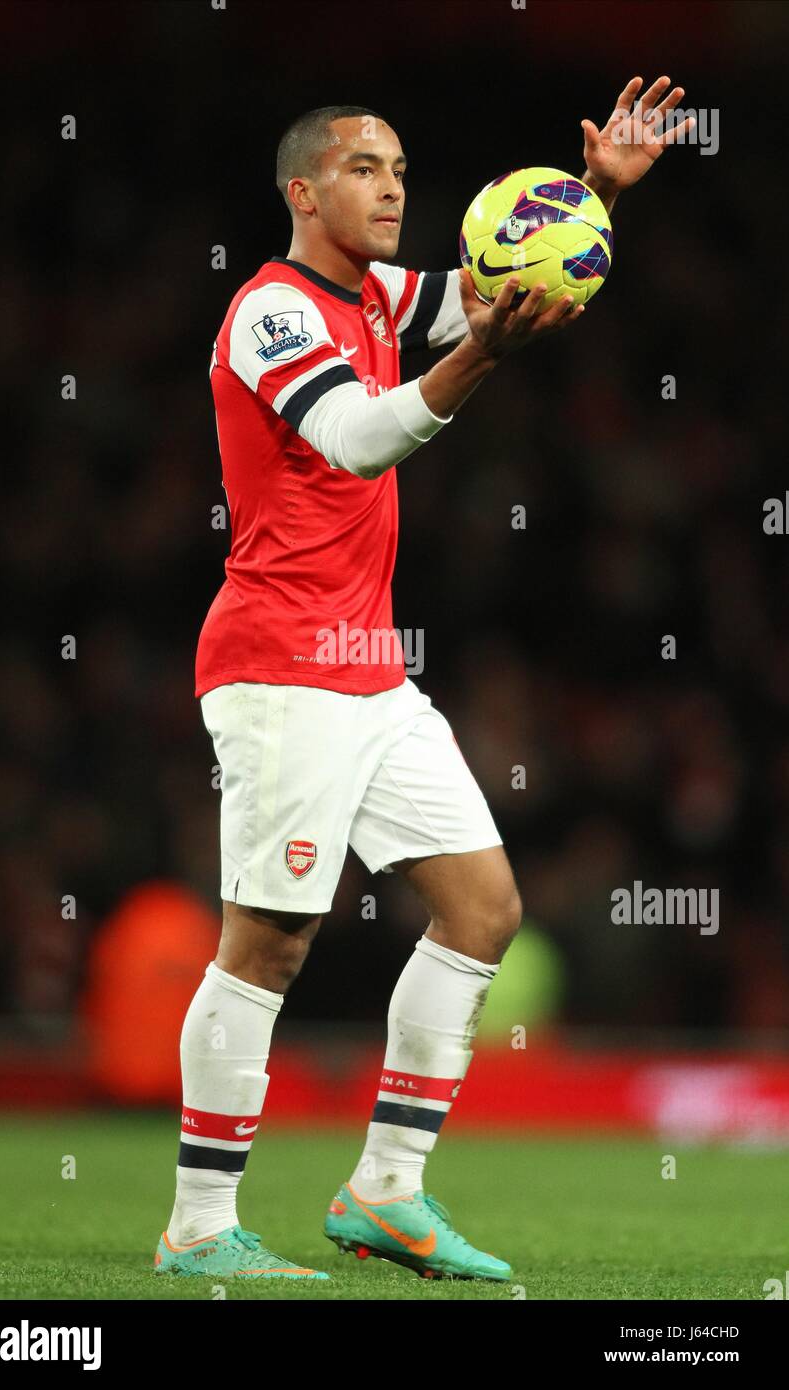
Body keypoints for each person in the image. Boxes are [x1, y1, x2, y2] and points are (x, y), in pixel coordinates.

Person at [155, 80, 693, 1283]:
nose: (392, 186)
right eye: (362, 167)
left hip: (369, 668)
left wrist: (595, 192)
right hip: (280, 666)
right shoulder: (273, 314)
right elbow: (354, 438)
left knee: (483, 908)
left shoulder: (382, 295)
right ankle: (197, 1225)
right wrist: (484, 362)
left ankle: (385, 1191)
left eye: (398, 165)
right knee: (270, 942)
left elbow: (484, 296)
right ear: (303, 191)